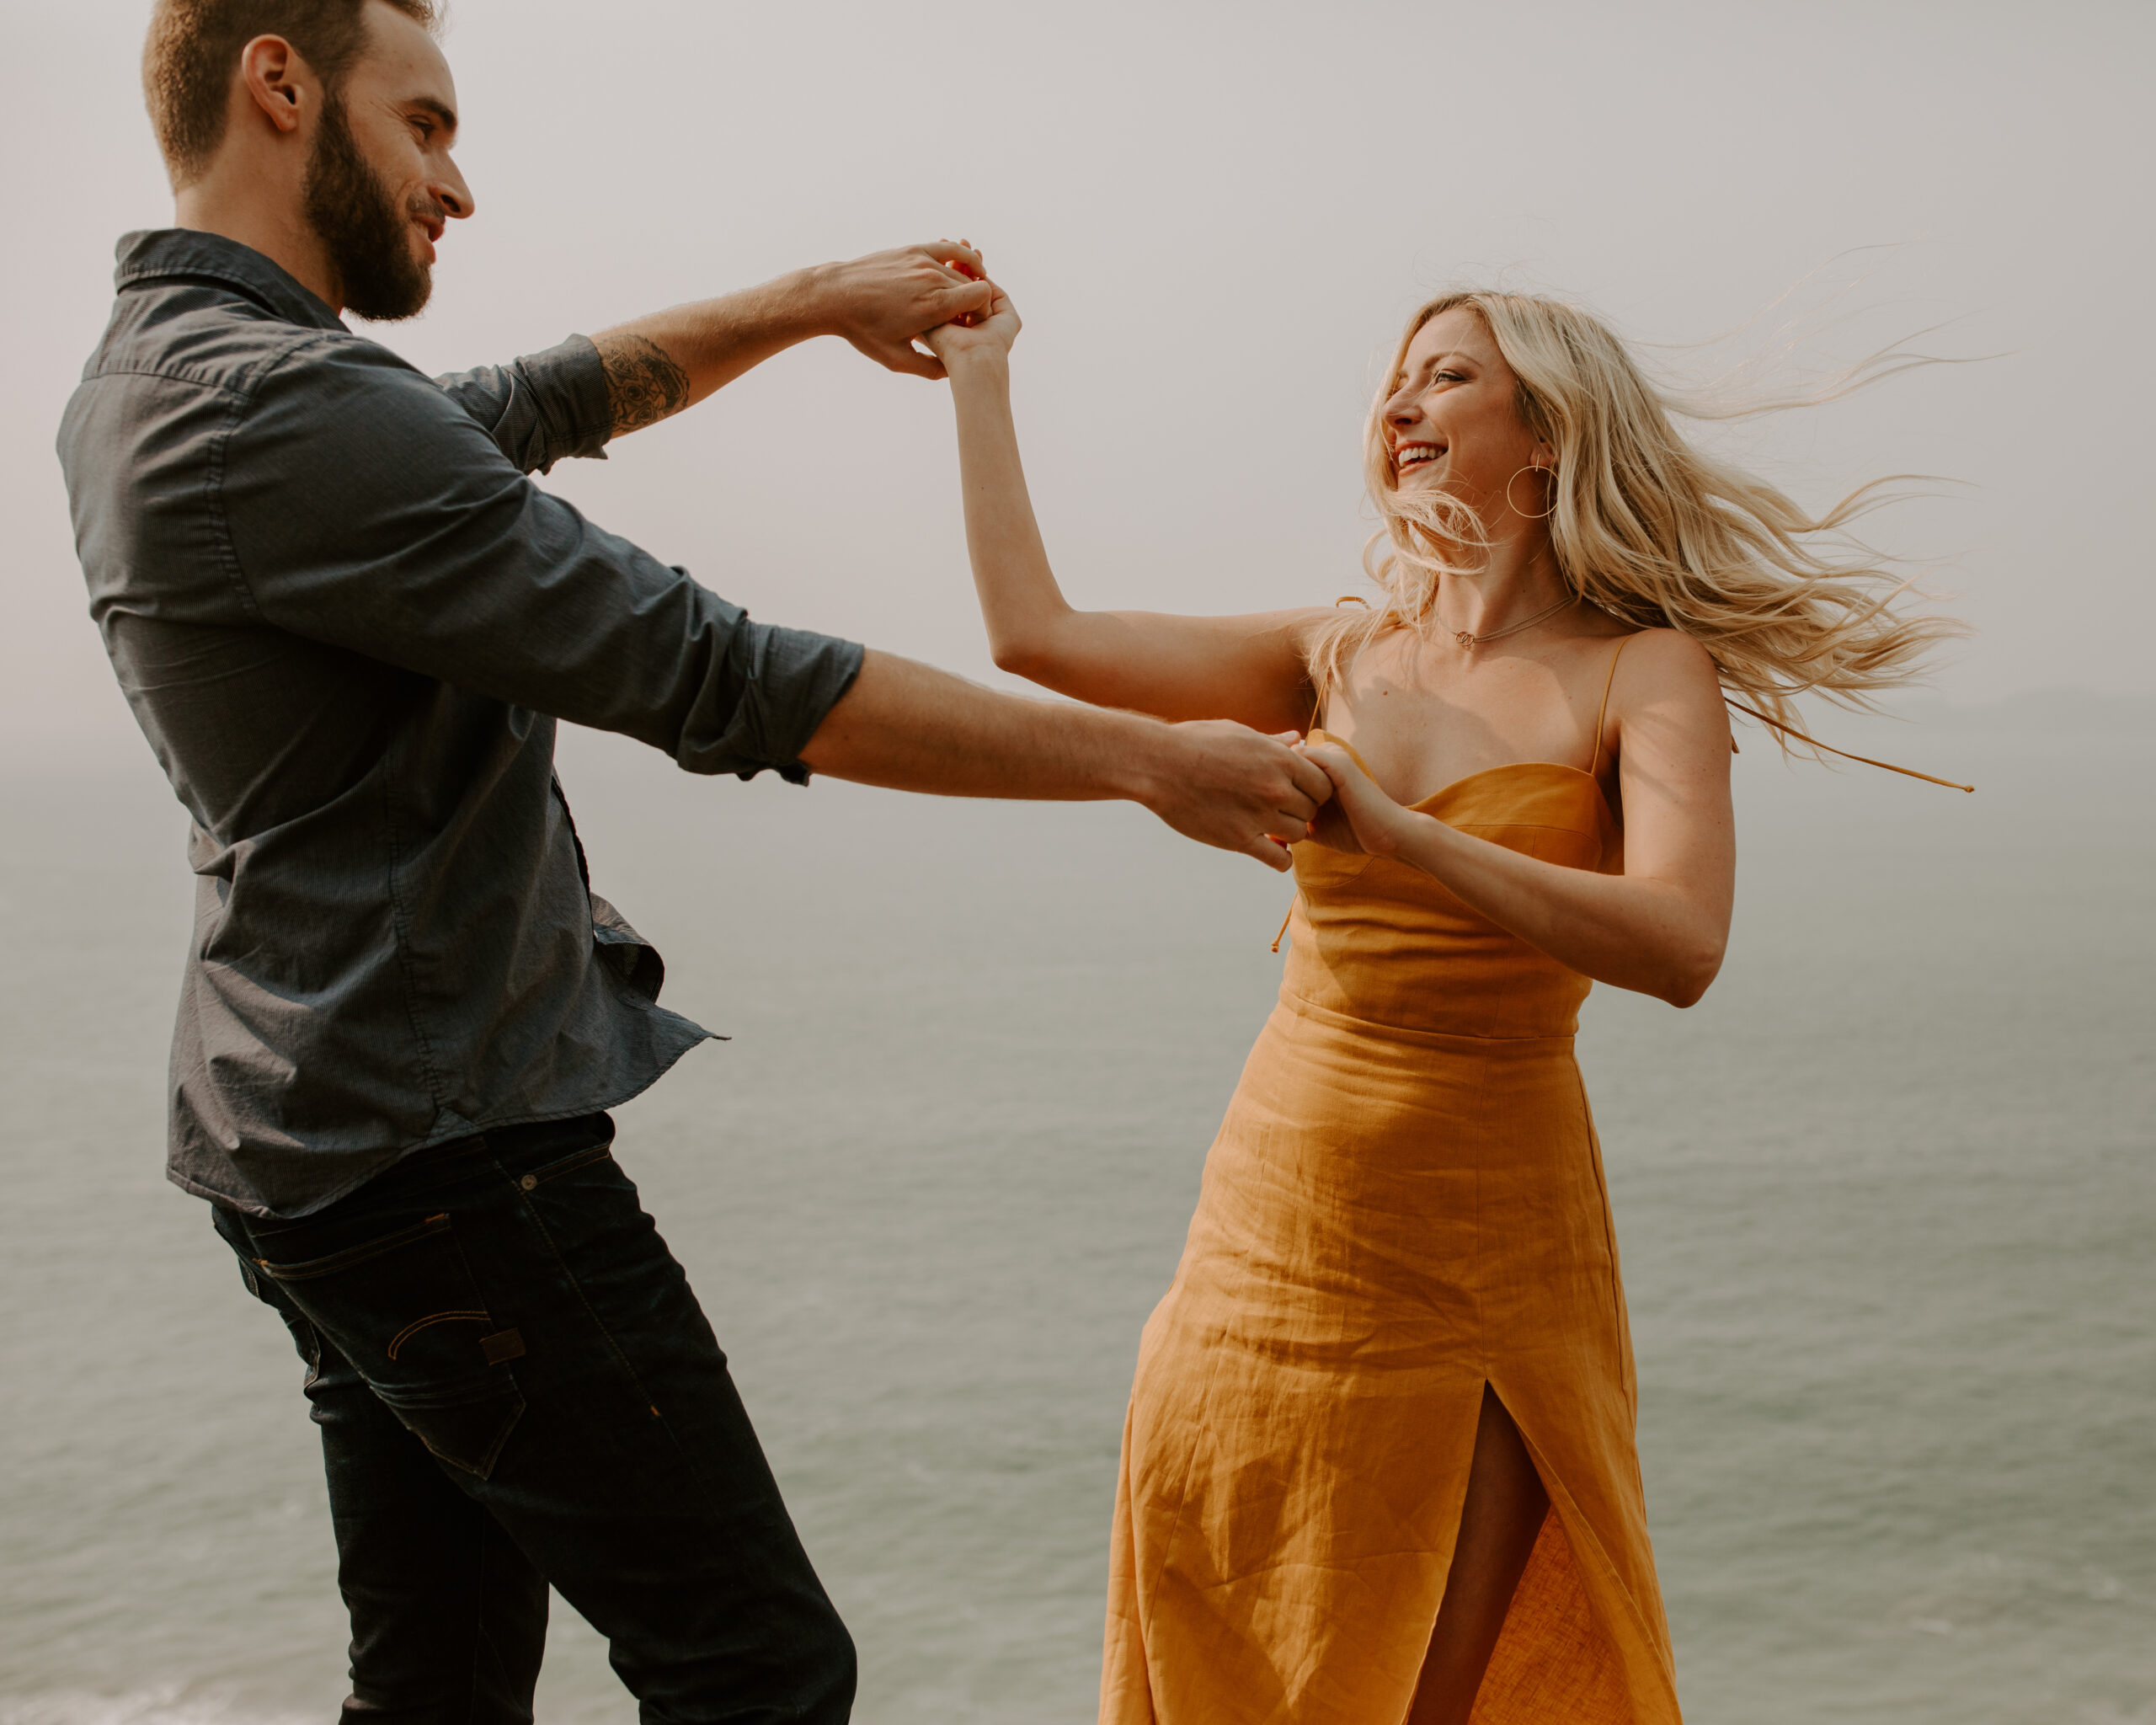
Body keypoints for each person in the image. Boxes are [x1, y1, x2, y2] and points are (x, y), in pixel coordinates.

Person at [55, 3, 1333, 1722]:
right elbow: (722, 674)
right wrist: (1148, 761)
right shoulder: (271, 407)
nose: (457, 185)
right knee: (756, 1669)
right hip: (442, 1162)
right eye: (423, 123)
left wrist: (811, 302)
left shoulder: (165, 377)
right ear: (278, 84)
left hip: (315, 1141)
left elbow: (522, 404)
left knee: (434, 1689)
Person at [918, 278, 1960, 1722]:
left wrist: (1398, 832)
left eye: (1449, 378)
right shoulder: (1336, 650)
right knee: (1228, 1662)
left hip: (1484, 1250)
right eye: (1396, 384)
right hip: (1264, 1237)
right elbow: (1035, 635)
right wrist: (980, 375)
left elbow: (1679, 944)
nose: (1401, 406)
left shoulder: (1644, 672)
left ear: (1547, 433)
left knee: (1421, 1694)